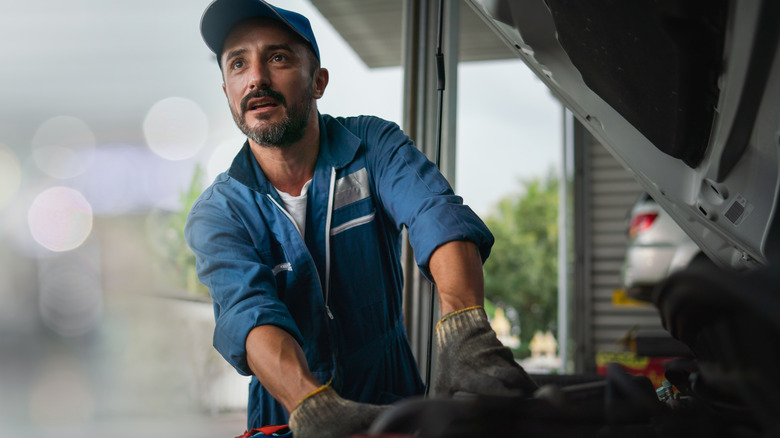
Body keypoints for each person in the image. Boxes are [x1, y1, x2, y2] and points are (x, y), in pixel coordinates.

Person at [185, 1, 537, 436]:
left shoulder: (371, 145)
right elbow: (248, 311)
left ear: (318, 81)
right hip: (291, 421)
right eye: (238, 64)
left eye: (277, 58)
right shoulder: (219, 213)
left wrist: (465, 332)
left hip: (396, 410)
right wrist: (312, 407)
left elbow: (437, 214)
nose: (256, 78)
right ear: (227, 91)